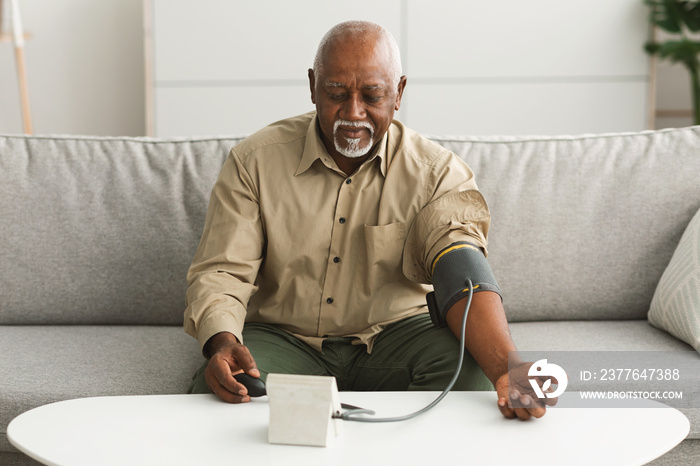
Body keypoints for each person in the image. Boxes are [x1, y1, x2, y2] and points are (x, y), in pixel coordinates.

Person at [184, 20, 555, 420]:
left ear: (398, 94)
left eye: (372, 95)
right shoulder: (254, 162)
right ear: (312, 86)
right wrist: (221, 342)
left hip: (397, 336)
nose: (353, 113)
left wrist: (505, 367)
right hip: (286, 339)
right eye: (336, 93)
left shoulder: (436, 172)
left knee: (471, 377)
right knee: (223, 390)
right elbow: (222, 272)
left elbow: (459, 266)